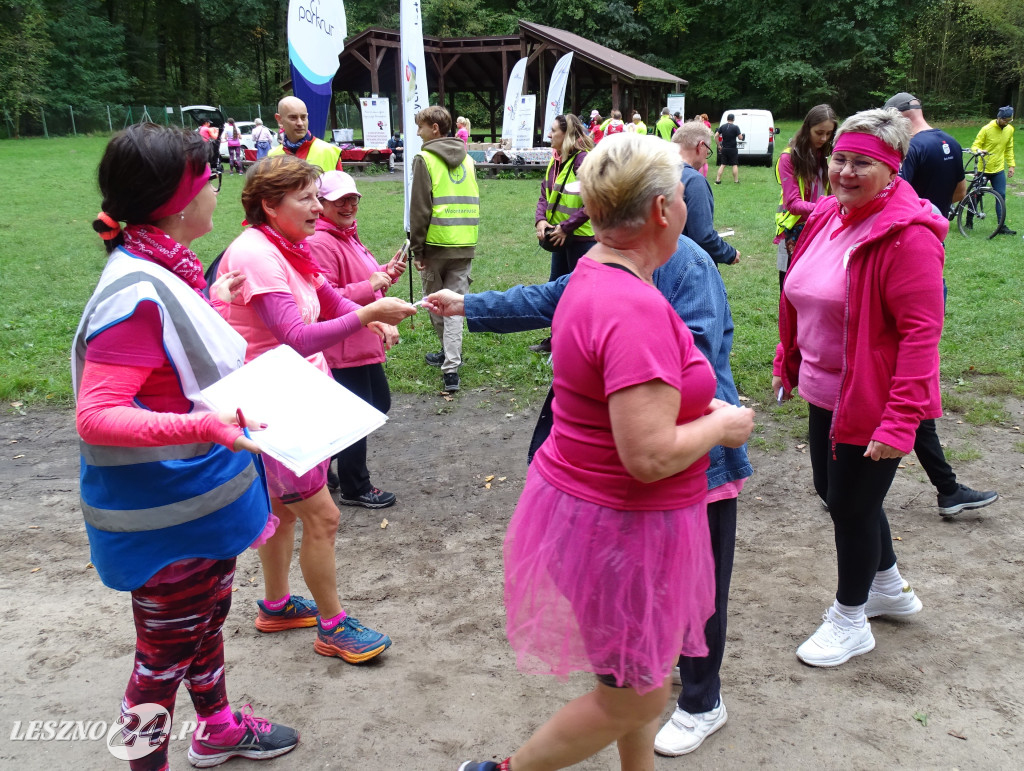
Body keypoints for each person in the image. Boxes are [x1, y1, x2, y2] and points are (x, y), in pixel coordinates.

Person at [453, 133, 754, 771]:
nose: (685, 203)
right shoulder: (634, 305)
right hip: (626, 518)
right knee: (636, 700)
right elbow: (648, 456)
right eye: (680, 193)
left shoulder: (595, 269)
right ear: (660, 212)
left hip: (586, 510)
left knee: (628, 673)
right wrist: (723, 429)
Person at [74, 123, 299, 770]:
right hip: (167, 519)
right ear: (177, 202)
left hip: (197, 508)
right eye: (211, 183)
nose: (216, 195)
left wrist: (209, 299)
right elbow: (97, 414)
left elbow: (171, 361)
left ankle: (219, 727)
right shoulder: (138, 292)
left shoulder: (161, 265)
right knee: (160, 660)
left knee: (203, 625)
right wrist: (203, 426)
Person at [216, 155, 416, 663]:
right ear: (269, 205)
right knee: (322, 516)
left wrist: (367, 320)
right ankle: (332, 626)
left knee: (284, 508)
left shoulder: (289, 247)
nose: (316, 206)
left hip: (291, 390)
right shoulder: (257, 255)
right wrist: (369, 312)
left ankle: (278, 604)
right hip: (272, 397)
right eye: (305, 197)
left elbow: (328, 300)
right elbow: (296, 335)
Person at [773, 108, 947, 667]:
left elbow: (922, 337)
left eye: (861, 163)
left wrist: (900, 423)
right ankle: (887, 586)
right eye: (839, 158)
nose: (845, 171)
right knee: (840, 493)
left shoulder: (908, 237)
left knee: (850, 505)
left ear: (892, 168)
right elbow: (798, 291)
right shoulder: (828, 214)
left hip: (873, 395)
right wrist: (788, 355)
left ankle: (851, 619)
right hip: (826, 387)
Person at [884, 92, 999, 517]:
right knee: (909, 375)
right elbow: (959, 189)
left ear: (898, 117)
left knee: (907, 374)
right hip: (930, 259)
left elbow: (897, 196)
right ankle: (944, 487)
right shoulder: (950, 141)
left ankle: (846, 486)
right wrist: (938, 223)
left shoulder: (910, 148)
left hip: (906, 260)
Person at [308, 171, 407, 509]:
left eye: (353, 199)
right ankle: (355, 484)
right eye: (340, 201)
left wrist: (384, 273)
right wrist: (370, 286)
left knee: (376, 405)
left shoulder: (346, 234)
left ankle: (321, 464)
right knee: (358, 415)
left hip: (362, 341)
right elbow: (325, 300)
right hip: (343, 346)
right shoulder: (321, 241)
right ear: (321, 205)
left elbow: (358, 282)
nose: (349, 205)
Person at [410, 105, 480, 393]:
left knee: (436, 304)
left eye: (421, 127)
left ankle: (449, 360)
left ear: (434, 129)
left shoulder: (424, 159)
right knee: (455, 306)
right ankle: (451, 361)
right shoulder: (469, 160)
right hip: (465, 242)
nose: (418, 132)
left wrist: (417, 249)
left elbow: (420, 208)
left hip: (435, 245)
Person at [529, 114, 596, 354]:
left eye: (553, 130)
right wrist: (541, 220)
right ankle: (556, 339)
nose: (548, 135)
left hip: (581, 240)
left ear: (566, 134)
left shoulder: (583, 161)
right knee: (556, 289)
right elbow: (544, 194)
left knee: (581, 294)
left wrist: (566, 227)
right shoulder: (556, 160)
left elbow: (594, 202)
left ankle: (582, 344)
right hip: (559, 238)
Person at [775, 104, 837, 292]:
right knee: (790, 290)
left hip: (823, 228)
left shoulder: (830, 155)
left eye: (829, 133)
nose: (824, 138)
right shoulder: (789, 158)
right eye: (819, 132)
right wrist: (830, 205)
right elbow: (793, 204)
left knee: (818, 288)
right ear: (807, 128)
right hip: (793, 233)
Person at [672, 120, 739, 266]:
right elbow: (703, 236)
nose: (705, 158)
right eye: (708, 151)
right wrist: (730, 253)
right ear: (701, 146)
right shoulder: (694, 181)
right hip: (686, 267)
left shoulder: (655, 172)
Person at [970, 105, 1016, 235]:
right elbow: (975, 146)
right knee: (976, 195)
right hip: (984, 168)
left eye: (1009, 121)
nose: (1007, 123)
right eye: (1005, 120)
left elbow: (1009, 148)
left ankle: (1001, 226)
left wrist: (1011, 165)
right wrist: (979, 151)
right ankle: (969, 221)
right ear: (999, 118)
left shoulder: (1009, 130)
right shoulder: (987, 129)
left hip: (998, 169)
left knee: (1000, 195)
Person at [269, 95, 344, 172]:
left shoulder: (330, 152)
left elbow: (342, 183)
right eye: (293, 118)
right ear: (279, 120)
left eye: (303, 117)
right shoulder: (272, 156)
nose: (300, 123)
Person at [714, 114, 744, 184]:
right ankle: (736, 180)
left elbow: (716, 136)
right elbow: (740, 138)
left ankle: (718, 180)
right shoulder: (736, 127)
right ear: (733, 119)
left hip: (724, 148)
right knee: (734, 164)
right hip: (733, 149)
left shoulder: (723, 127)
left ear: (727, 119)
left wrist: (719, 145)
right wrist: (742, 136)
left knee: (723, 164)